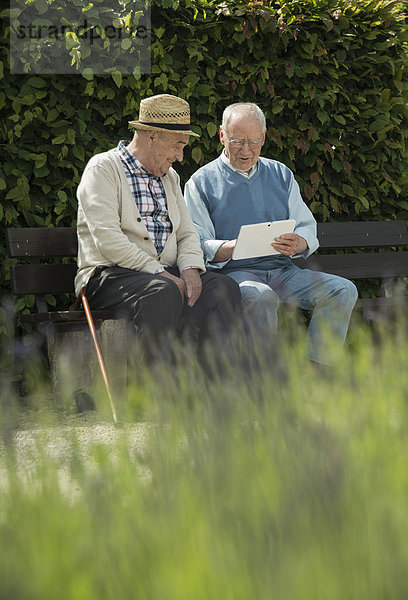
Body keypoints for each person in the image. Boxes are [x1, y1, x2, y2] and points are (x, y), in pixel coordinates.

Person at [184, 102, 358, 365]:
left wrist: (299, 242)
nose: (246, 150)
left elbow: (307, 227)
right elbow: (196, 242)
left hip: (283, 272)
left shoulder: (281, 174)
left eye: (254, 142)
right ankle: (263, 380)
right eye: (237, 141)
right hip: (234, 275)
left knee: (342, 290)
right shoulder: (200, 181)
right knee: (262, 296)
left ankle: (317, 372)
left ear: (264, 138)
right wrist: (232, 247)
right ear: (221, 135)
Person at [74, 94, 241, 359]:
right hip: (109, 276)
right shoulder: (103, 169)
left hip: (164, 277)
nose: (181, 156)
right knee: (162, 293)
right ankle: (156, 394)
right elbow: (108, 240)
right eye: (178, 145)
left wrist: (190, 270)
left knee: (225, 290)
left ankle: (214, 392)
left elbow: (187, 234)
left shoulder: (170, 177)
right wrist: (161, 273)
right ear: (152, 137)